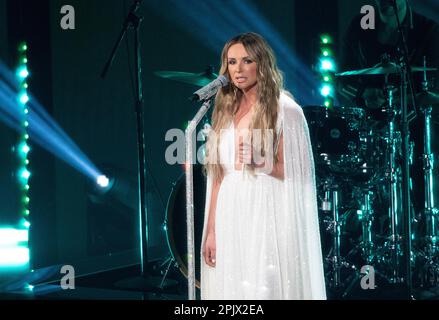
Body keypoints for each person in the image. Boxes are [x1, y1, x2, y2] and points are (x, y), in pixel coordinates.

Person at [200, 32, 326, 300]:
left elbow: (300, 175)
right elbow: (218, 178)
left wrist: (263, 162)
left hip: (265, 214)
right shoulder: (224, 111)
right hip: (229, 214)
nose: (238, 69)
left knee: (262, 289)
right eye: (231, 62)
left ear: (262, 64)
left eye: (247, 61)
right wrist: (211, 232)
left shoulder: (286, 110)